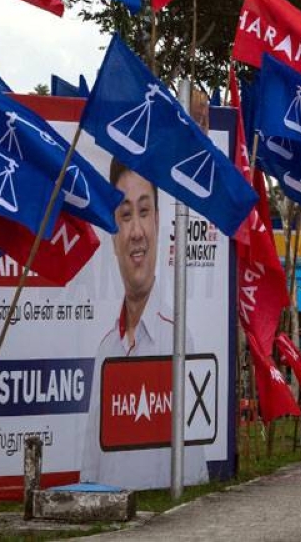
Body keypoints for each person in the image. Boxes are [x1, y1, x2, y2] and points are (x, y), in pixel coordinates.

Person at [80, 160, 208, 489]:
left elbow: (193, 476)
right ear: (112, 231)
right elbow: (91, 469)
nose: (136, 231)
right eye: (125, 215)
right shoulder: (106, 350)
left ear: (158, 221)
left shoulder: (178, 341)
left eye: (144, 212)